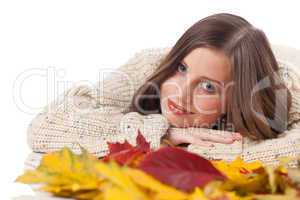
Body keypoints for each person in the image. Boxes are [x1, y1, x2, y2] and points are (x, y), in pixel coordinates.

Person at [25, 13, 300, 169]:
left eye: (207, 87)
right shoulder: (152, 66)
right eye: (182, 68)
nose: (180, 95)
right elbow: (47, 125)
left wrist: (192, 150)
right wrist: (162, 134)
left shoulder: (283, 93)